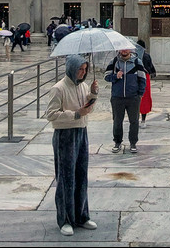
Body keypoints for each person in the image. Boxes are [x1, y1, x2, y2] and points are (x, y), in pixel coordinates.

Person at [45, 55, 99, 236]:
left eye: (85, 70)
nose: (82, 73)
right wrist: (76, 114)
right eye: (79, 69)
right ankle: (65, 219)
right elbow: (51, 114)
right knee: (66, 177)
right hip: (65, 136)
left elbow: (86, 108)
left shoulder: (83, 86)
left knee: (81, 175)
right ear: (71, 68)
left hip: (81, 133)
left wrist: (93, 94)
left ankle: (81, 215)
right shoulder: (58, 89)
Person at [104, 47, 146, 153]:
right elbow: (106, 76)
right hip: (117, 97)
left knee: (134, 121)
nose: (124, 51)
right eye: (122, 49)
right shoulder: (114, 62)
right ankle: (117, 142)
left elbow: (142, 78)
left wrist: (140, 94)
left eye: (126, 49)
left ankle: (133, 143)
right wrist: (115, 76)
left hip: (133, 97)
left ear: (130, 50)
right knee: (117, 121)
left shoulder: (137, 62)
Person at [137, 39, 157, 123]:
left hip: (136, 77)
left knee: (136, 98)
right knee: (145, 97)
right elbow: (151, 67)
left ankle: (135, 119)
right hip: (145, 77)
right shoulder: (147, 56)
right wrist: (153, 72)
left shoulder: (134, 57)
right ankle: (143, 120)